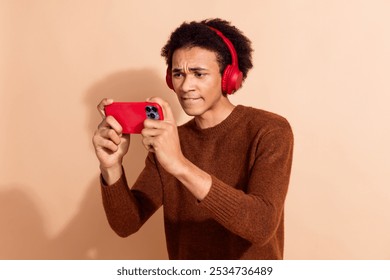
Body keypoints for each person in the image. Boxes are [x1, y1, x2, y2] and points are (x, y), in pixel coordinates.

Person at [92, 18, 294, 260]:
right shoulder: (170, 141)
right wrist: (111, 167)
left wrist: (179, 165)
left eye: (199, 74)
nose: (186, 85)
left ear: (229, 77)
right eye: (178, 74)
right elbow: (127, 224)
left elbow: (261, 226)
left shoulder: (270, 130)